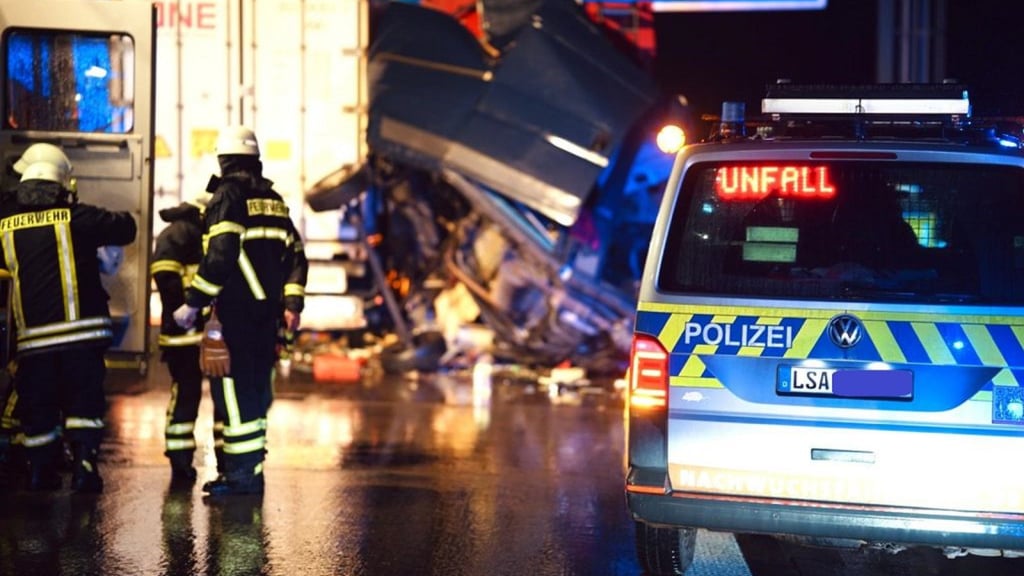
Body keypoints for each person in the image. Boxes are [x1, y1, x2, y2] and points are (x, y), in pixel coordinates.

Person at [174, 126, 307, 496]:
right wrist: (292, 304)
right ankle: (252, 471)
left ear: (223, 160)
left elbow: (220, 256)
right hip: (267, 318)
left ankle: (240, 478)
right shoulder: (275, 200)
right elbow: (297, 256)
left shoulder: (226, 196)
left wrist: (193, 302)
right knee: (255, 392)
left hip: (234, 314)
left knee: (232, 395)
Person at [0, 143, 137, 492]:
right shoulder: (78, 218)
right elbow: (126, 227)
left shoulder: (6, 224)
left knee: (40, 404)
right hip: (83, 333)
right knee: (84, 401)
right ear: (62, 184)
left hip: (34, 338)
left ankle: (40, 472)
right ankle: (85, 468)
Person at [150, 190, 212, 487]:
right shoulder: (180, 234)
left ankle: (181, 461)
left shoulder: (182, 234)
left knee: (186, 394)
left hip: (195, 333)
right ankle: (181, 459)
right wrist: (182, 312)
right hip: (188, 334)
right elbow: (165, 278)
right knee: (190, 394)